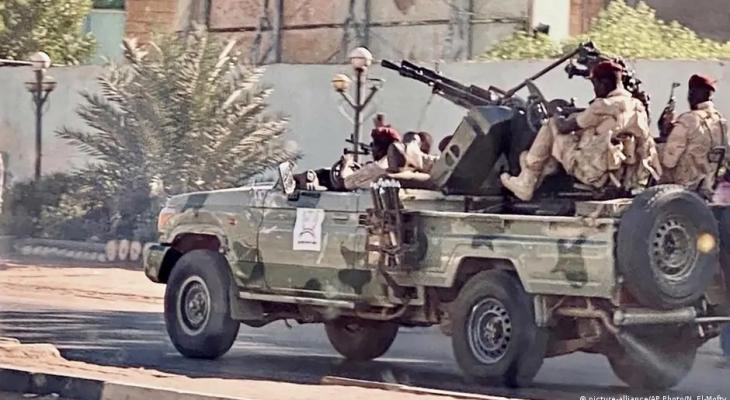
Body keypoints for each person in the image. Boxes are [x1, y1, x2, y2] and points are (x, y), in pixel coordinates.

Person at [500, 60, 658, 201]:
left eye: (595, 84)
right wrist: (571, 112)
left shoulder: (601, 106)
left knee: (552, 124)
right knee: (577, 135)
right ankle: (546, 168)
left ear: (603, 83)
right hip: (621, 177)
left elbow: (564, 126)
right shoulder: (637, 107)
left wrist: (554, 111)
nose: (595, 89)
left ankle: (527, 181)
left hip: (591, 172)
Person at [659, 74, 728, 197]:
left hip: (682, 187)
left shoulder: (688, 120)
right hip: (708, 185)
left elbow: (669, 160)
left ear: (693, 93)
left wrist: (664, 135)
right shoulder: (721, 122)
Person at [342, 116, 402, 190]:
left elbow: (346, 182)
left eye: (374, 144)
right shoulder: (404, 168)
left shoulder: (374, 168)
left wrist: (347, 164)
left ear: (378, 147)